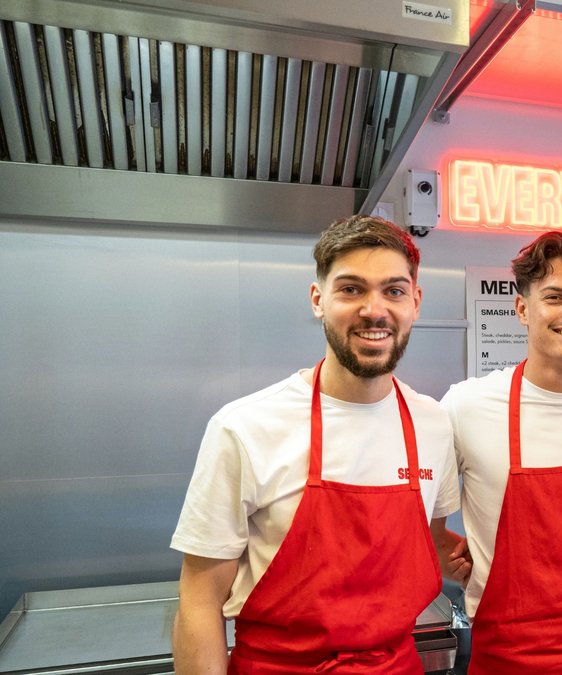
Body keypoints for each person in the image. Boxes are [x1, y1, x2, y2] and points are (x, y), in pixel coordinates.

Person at [170, 215, 470, 674]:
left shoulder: (432, 423)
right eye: (351, 289)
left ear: (415, 302)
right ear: (318, 300)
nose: (374, 310)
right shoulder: (245, 427)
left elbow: (431, 543)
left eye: (393, 291)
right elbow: (198, 601)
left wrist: (496, 558)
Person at [440, 228, 562, 674]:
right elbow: (416, 514)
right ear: (523, 308)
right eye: (555, 297)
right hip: (508, 655)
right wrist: (454, 556)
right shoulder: (467, 404)